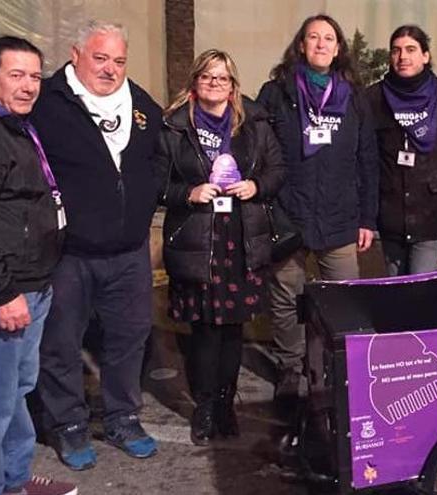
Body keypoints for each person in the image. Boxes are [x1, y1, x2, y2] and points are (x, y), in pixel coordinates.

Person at [30, 21, 163, 469]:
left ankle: (124, 418)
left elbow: (155, 161)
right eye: (100, 58)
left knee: (129, 339)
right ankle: (67, 424)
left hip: (128, 253)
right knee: (61, 344)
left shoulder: (142, 105)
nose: (110, 69)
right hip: (70, 254)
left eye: (119, 61)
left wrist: (143, 209)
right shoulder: (47, 104)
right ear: (76, 54)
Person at [155, 49, 285, 445]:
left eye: (223, 78)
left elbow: (277, 170)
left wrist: (256, 186)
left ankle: (227, 405)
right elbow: (157, 183)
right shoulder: (175, 127)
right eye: (208, 77)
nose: (215, 84)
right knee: (204, 331)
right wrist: (188, 192)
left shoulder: (254, 123)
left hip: (241, 238)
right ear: (195, 82)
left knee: (232, 332)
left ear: (233, 86)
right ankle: (205, 406)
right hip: (199, 240)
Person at [0, 35, 77, 495]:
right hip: (2, 294)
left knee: (15, 391)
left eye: (35, 76)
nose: (29, 85)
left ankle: (12, 480)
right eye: (16, 75)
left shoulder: (15, 127)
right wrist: (3, 291)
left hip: (33, 285)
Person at [256, 14, 378, 394]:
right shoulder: (276, 93)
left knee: (343, 297)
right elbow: (259, 152)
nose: (321, 44)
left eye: (329, 38)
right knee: (285, 295)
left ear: (338, 48)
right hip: (288, 214)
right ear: (301, 45)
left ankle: (337, 365)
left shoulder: (354, 97)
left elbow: (367, 159)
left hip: (339, 215)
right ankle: (291, 368)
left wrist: (367, 218)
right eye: (313, 37)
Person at [365, 25, 437, 275]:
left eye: (410, 49)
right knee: (394, 291)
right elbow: (367, 156)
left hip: (432, 214)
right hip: (391, 213)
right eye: (396, 51)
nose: (402, 57)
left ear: (425, 56)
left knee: (420, 291)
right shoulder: (374, 98)